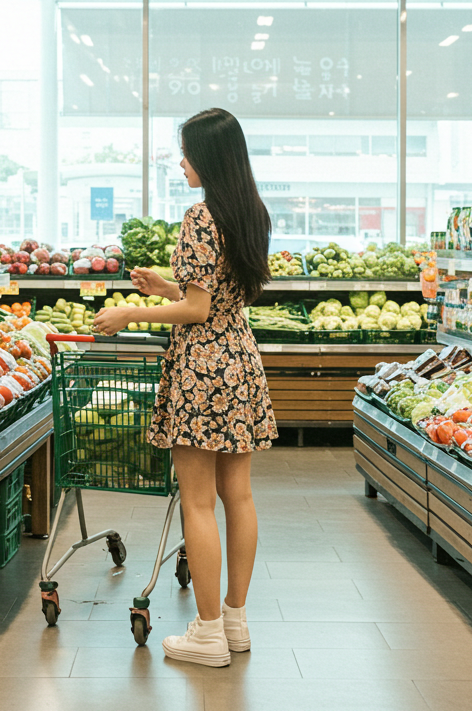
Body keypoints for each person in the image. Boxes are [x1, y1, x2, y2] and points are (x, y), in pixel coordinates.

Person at [93, 108, 277, 667]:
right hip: (240, 361)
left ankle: (207, 634)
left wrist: (132, 311)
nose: (181, 163)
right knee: (237, 497)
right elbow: (220, 297)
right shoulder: (250, 213)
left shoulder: (201, 217)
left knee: (197, 502)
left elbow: (197, 310)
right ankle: (236, 623)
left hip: (202, 369)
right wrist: (167, 284)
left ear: (209, 158)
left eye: (187, 152)